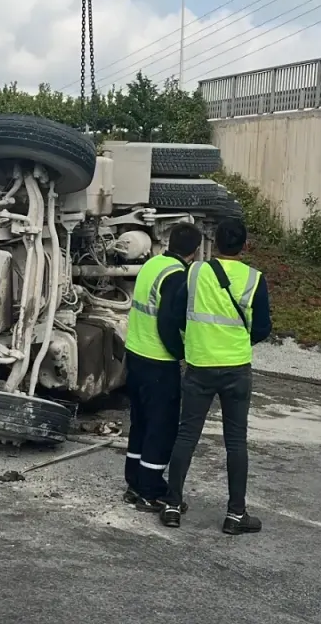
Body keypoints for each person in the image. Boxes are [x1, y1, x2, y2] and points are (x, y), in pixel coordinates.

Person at [157, 217, 271, 534]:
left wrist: (197, 337)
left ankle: (171, 506)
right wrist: (236, 341)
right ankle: (235, 515)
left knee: (187, 435)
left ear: (214, 243)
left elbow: (178, 312)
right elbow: (263, 328)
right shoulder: (254, 278)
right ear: (244, 245)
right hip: (236, 369)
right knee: (236, 442)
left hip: (199, 365)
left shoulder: (195, 272)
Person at [121, 222, 203, 512]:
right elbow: (168, 322)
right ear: (195, 250)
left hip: (135, 353)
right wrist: (182, 352)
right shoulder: (176, 275)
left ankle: (134, 483)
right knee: (162, 426)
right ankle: (152, 490)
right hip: (158, 360)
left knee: (141, 422)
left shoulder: (152, 264)